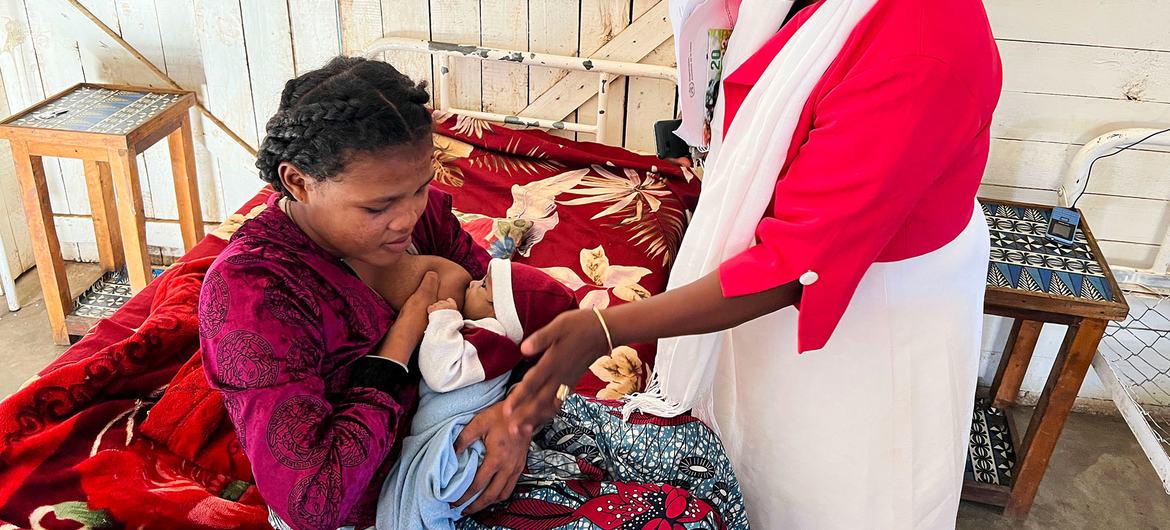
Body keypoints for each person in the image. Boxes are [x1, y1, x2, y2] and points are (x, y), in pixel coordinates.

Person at [504, 0, 1002, 527]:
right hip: (787, 257)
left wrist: (604, 328)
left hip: (874, 310)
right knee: (756, 452)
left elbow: (795, 268)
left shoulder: (921, 47)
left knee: (840, 484)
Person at [197, 56, 531, 530]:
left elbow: (519, 315)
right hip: (382, 504)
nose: (408, 216)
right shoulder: (257, 292)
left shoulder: (425, 216)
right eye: (378, 206)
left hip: (472, 445)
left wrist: (518, 414)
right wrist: (400, 343)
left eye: (421, 187)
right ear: (298, 182)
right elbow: (313, 503)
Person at [410, 258, 578, 393]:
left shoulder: (494, 338)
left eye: (483, 285)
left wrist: (443, 318)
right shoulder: (493, 339)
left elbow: (440, 375)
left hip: (452, 429)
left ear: (500, 312)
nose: (472, 283)